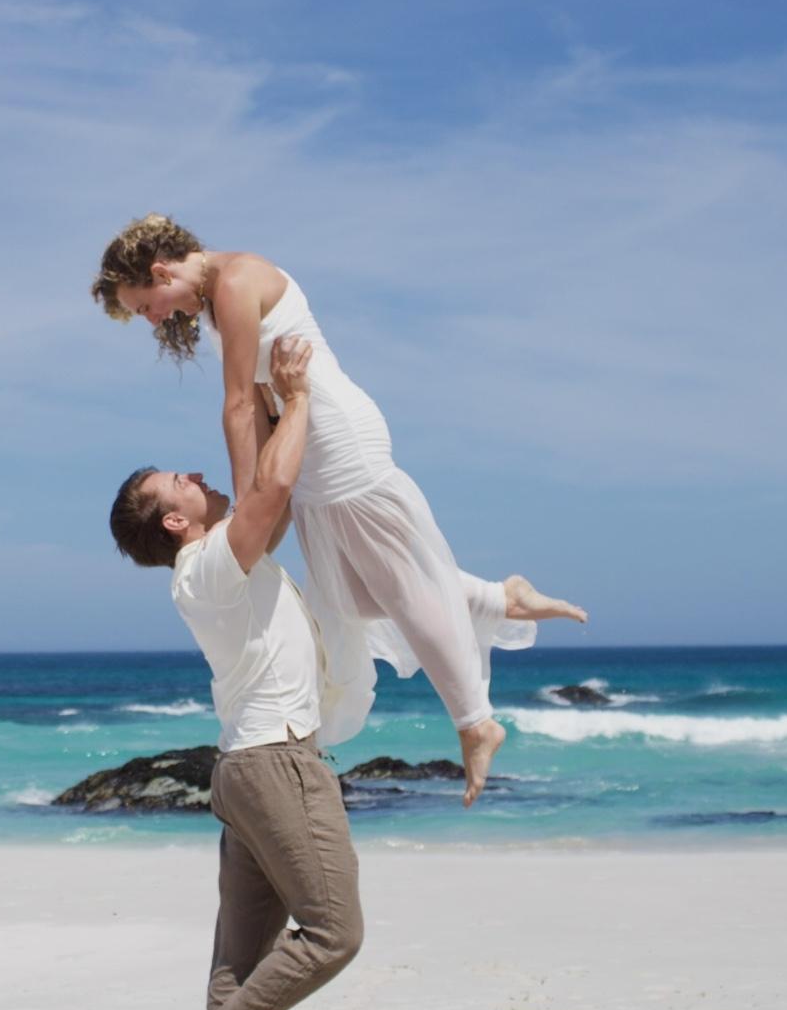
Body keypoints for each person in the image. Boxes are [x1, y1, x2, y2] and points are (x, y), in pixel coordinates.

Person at [93, 214, 587, 806]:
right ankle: (497, 599)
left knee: (405, 588)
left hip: (336, 437)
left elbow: (238, 406)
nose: (152, 320)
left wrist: (249, 501)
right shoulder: (216, 299)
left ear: (159, 272)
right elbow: (260, 403)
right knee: (350, 601)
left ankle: (476, 723)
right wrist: (254, 498)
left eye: (144, 306)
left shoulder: (236, 281)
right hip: (306, 443)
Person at [109, 335, 361, 1010]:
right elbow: (272, 485)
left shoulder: (222, 561)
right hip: (277, 764)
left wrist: (264, 400)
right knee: (333, 932)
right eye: (182, 481)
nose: (199, 474)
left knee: (240, 961)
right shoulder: (210, 568)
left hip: (247, 768)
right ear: (175, 519)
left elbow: (265, 495)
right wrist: (301, 396)